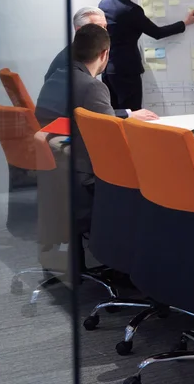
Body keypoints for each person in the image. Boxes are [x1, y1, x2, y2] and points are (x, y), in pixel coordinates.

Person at [36, 24, 158, 233]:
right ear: (105, 54)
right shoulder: (92, 86)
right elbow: (109, 140)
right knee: (153, 174)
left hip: (58, 170)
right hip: (86, 175)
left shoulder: (57, 77)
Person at [99, 0, 194, 111]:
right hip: (127, 73)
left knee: (114, 116)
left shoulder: (104, 4)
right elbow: (157, 33)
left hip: (108, 70)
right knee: (132, 116)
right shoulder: (131, 10)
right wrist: (185, 23)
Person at [44, 6, 107, 82]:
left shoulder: (86, 53)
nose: (105, 32)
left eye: (105, 27)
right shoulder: (66, 64)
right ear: (80, 30)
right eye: (98, 27)